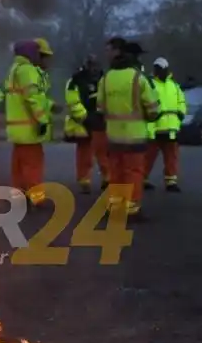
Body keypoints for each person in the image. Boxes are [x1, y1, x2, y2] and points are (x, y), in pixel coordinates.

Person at [97, 41, 160, 219]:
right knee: (133, 172)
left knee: (116, 172)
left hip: (113, 136)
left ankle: (115, 207)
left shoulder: (106, 78)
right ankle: (132, 209)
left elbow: (100, 107)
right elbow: (153, 108)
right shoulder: (138, 78)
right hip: (134, 136)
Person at [5, 40, 50, 206]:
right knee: (33, 166)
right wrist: (42, 120)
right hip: (29, 129)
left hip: (17, 130)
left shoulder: (14, 70)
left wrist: (50, 105)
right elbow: (33, 98)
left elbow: (22, 98)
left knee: (18, 165)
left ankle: (18, 197)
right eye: (38, 53)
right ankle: (37, 200)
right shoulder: (28, 71)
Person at [64, 55, 107, 193]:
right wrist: (84, 117)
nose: (94, 68)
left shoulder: (104, 79)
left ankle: (108, 178)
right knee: (85, 153)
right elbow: (72, 101)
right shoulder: (76, 80)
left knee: (105, 153)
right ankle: (84, 180)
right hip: (84, 121)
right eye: (91, 65)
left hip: (101, 120)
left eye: (95, 65)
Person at [144, 57, 186, 192]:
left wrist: (181, 114)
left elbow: (181, 102)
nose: (158, 71)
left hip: (171, 127)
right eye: (156, 68)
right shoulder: (150, 84)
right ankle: (143, 179)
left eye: (160, 68)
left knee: (171, 156)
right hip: (155, 128)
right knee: (148, 156)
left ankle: (171, 181)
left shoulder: (174, 85)